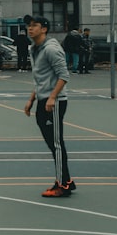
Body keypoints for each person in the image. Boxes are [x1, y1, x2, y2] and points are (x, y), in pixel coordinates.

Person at [23, 14, 74, 198]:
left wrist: (53, 97)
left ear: (44, 29)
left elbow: (64, 75)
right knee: (53, 144)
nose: (30, 28)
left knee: (57, 143)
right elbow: (41, 78)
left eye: (34, 25)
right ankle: (67, 179)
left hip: (55, 101)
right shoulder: (33, 49)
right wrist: (32, 99)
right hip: (43, 99)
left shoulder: (52, 49)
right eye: (29, 25)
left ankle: (62, 185)